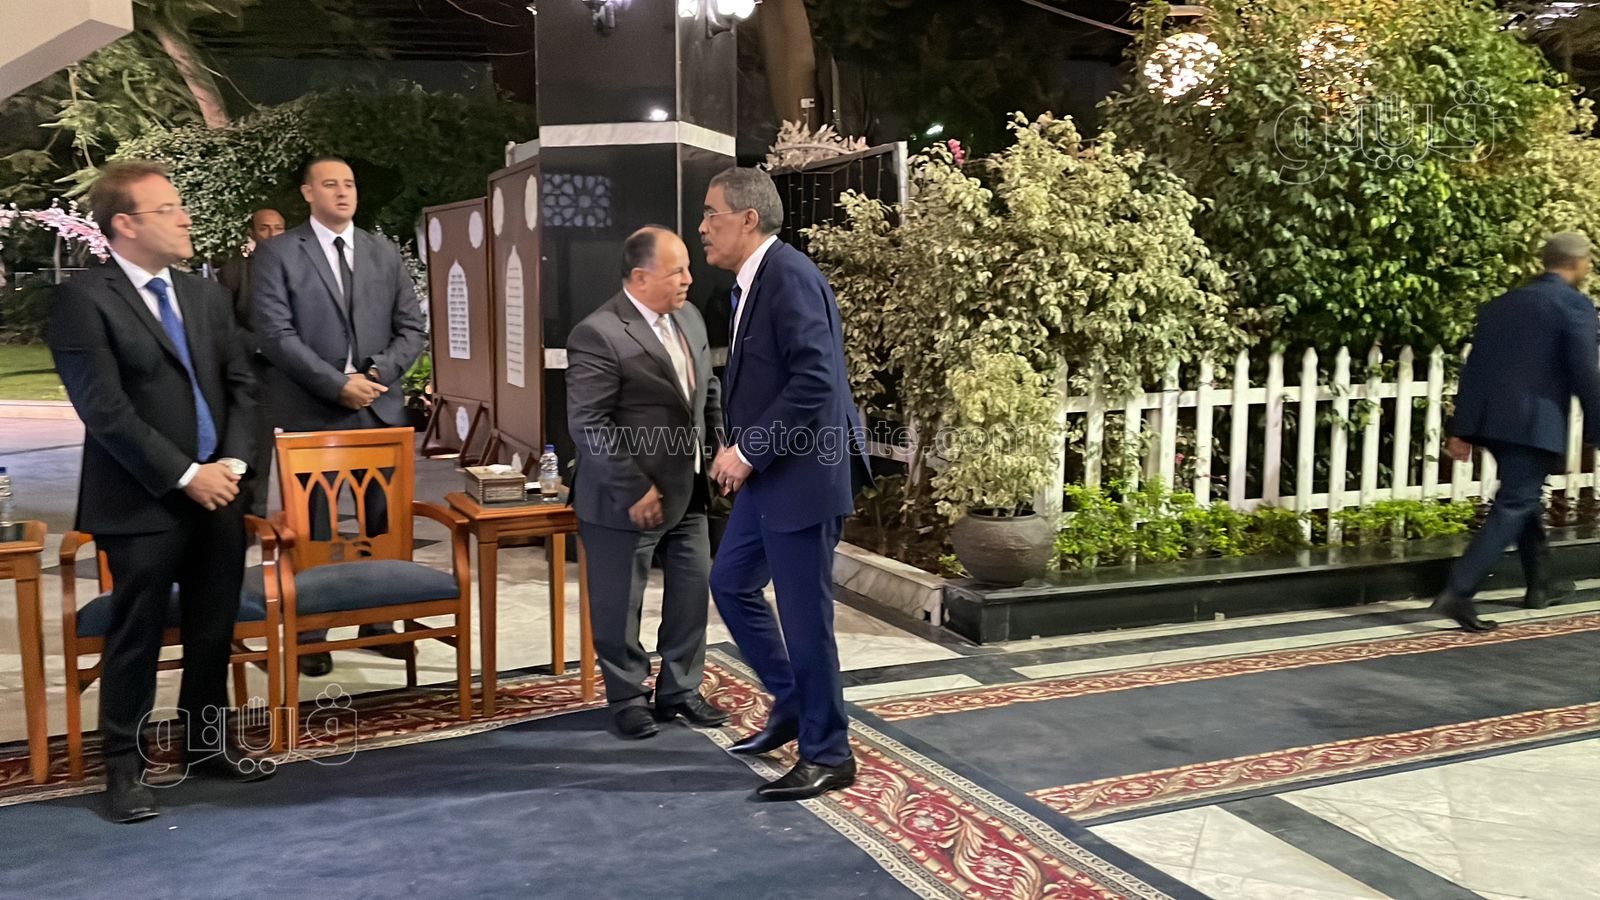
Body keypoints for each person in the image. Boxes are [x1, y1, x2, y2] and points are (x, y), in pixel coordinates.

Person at [49, 161, 272, 823]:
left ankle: (205, 745)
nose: (184, 218)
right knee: (137, 633)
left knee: (212, 627)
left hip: (221, 491)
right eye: (168, 208)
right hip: (141, 499)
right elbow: (105, 410)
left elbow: (243, 385)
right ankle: (124, 765)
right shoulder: (84, 300)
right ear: (125, 223)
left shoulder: (204, 295)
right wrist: (185, 474)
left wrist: (231, 463)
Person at [701, 167, 872, 801]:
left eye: (712, 214)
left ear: (748, 218)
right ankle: (795, 702)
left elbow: (815, 379)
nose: (702, 227)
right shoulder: (756, 280)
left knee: (806, 621)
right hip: (774, 474)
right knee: (730, 581)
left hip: (802, 476)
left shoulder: (788, 275)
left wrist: (748, 451)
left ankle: (829, 752)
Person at [251, 156, 427, 676]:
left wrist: (375, 375)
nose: (343, 192)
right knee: (316, 528)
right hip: (313, 411)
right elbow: (276, 334)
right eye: (330, 184)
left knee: (383, 524)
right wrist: (336, 384)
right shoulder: (279, 253)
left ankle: (379, 624)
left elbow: (412, 328)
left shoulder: (382, 251)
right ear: (308, 193)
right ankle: (312, 632)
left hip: (378, 408)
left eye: (349, 184)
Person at [566, 226, 729, 740]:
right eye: (676, 271)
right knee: (619, 606)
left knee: (691, 595)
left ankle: (680, 690)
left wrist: (718, 451)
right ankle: (627, 697)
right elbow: (590, 423)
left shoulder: (691, 317)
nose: (689, 278)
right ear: (640, 277)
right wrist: (634, 487)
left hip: (690, 489)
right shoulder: (598, 333)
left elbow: (707, 391)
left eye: (687, 268)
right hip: (624, 498)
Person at [1436, 232, 1600, 631]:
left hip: (1493, 422)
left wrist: (1462, 428)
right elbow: (1586, 372)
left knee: (1522, 496)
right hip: (1533, 422)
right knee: (1517, 500)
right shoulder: (1574, 305)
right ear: (1578, 263)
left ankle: (1540, 584)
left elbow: (1474, 368)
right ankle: (1458, 590)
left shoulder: (1501, 305)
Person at [216, 207, 287, 517]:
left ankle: (311, 528)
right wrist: (258, 346)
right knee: (257, 453)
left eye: (278, 228)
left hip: (298, 373)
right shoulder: (235, 271)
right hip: (256, 371)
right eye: (265, 228)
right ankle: (252, 519)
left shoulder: (302, 267)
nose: (272, 235)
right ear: (253, 232)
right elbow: (223, 324)